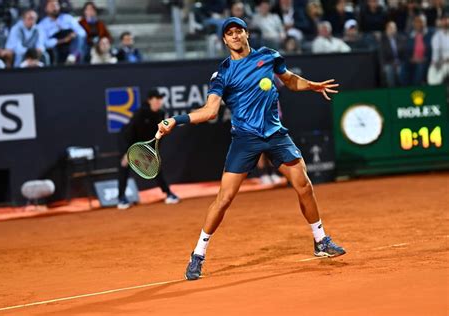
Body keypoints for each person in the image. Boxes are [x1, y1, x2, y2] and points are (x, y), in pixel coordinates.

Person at [157, 17, 346, 281]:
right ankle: (198, 254)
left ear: (246, 34)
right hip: (245, 139)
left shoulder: (269, 56)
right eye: (229, 33)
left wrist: (311, 85)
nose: (235, 36)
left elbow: (289, 80)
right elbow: (210, 111)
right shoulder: (222, 73)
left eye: (239, 31)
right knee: (224, 199)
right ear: (224, 40)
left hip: (275, 134)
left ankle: (320, 240)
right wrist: (176, 120)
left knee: (304, 185)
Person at [117, 89, 180, 209]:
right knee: (124, 167)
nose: (159, 102)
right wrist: (126, 153)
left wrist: (154, 151)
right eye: (156, 99)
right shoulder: (140, 113)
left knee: (155, 169)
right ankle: (121, 199)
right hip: (129, 142)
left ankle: (168, 194)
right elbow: (130, 133)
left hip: (145, 146)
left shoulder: (160, 114)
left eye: (160, 99)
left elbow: (159, 135)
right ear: (150, 100)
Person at [38, 0, 86, 64]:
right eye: (52, 6)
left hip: (71, 43)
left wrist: (74, 34)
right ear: (46, 9)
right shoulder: (42, 25)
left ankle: (73, 57)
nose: (54, 7)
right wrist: (63, 40)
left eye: (56, 5)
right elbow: (44, 43)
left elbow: (82, 32)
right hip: (57, 46)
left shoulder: (68, 18)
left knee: (80, 38)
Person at [379, 21, 406, 87]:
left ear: (396, 29)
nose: (392, 30)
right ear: (386, 30)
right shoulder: (382, 41)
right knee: (389, 70)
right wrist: (384, 67)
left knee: (401, 70)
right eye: (390, 28)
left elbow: (404, 54)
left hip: (400, 63)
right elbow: (381, 56)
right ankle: (392, 92)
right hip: (389, 63)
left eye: (393, 28)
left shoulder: (401, 39)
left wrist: (400, 63)